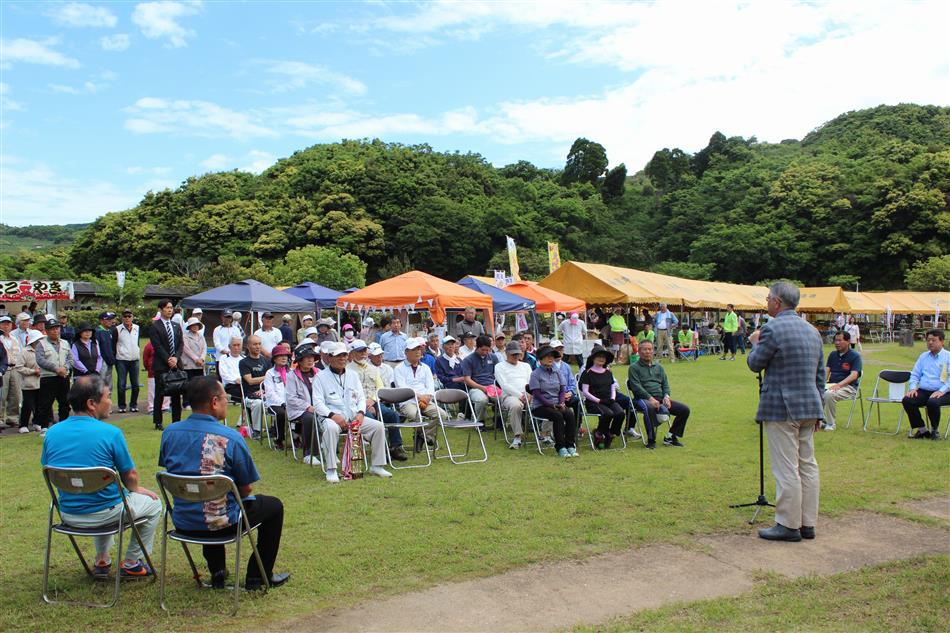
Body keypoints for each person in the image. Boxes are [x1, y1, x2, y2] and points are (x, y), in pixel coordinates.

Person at [158, 376, 288, 590]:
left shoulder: (169, 433)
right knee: (273, 506)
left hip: (183, 520)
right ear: (214, 402)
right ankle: (258, 576)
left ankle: (217, 570)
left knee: (206, 493)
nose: (228, 402)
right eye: (225, 398)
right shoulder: (230, 437)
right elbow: (246, 489)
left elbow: (171, 470)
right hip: (221, 525)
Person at [42, 376, 162, 579]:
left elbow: (50, 471)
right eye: (108, 397)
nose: (110, 402)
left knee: (105, 494)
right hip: (106, 513)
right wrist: (136, 489)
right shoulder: (110, 433)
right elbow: (130, 474)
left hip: (68, 514)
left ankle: (102, 559)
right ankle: (132, 562)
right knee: (154, 503)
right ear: (91, 403)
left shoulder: (52, 433)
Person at [747, 282, 824, 542]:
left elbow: (755, 364)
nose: (766, 302)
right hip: (809, 406)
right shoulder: (812, 331)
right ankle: (807, 523)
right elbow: (820, 374)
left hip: (781, 407)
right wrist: (820, 410)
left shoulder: (772, 329)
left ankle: (788, 525)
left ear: (777, 302)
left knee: (786, 468)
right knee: (808, 465)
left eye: (768, 298)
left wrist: (755, 343)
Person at [312, 342, 392, 483]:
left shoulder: (353, 375)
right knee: (331, 428)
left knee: (378, 426)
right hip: (331, 417)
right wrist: (333, 416)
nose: (342, 358)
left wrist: (361, 413)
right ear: (329, 358)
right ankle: (331, 469)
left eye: (344, 355)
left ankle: (377, 466)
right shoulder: (320, 377)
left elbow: (361, 397)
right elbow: (317, 403)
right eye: (338, 356)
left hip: (353, 417)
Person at [348, 339, 406, 461]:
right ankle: (381, 449)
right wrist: (365, 403)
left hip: (375, 402)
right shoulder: (348, 370)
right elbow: (350, 391)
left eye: (364, 350)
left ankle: (395, 447)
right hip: (358, 405)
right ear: (352, 353)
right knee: (372, 420)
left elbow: (380, 387)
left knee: (393, 415)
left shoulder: (373, 368)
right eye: (359, 351)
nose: (363, 353)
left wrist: (372, 400)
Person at [627, 340, 691, 450]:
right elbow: (636, 387)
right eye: (644, 349)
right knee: (649, 407)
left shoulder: (659, 367)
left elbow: (665, 384)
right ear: (639, 351)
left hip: (660, 398)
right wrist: (650, 398)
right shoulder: (634, 367)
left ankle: (670, 437)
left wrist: (666, 396)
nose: (647, 351)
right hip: (641, 399)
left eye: (650, 349)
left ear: (653, 351)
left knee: (684, 410)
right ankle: (651, 440)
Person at [392, 337, 443, 452]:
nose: (418, 352)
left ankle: (423, 436)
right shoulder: (399, 368)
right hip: (408, 401)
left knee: (442, 415)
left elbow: (430, 386)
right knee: (415, 415)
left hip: (426, 400)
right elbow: (402, 388)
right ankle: (425, 435)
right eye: (414, 349)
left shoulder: (425, 368)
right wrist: (420, 396)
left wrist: (427, 397)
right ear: (406, 352)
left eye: (419, 349)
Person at [529, 346, 577, 458]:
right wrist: (551, 405)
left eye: (552, 356)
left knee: (569, 414)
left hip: (557, 403)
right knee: (557, 416)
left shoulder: (557, 372)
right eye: (547, 356)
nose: (550, 359)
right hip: (540, 406)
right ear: (540, 359)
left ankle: (570, 445)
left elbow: (562, 390)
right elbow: (537, 394)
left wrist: (561, 403)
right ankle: (560, 447)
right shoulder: (535, 374)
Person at [902, 329, 950, 440]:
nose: (930, 343)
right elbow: (915, 374)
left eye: (934, 340)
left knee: (932, 402)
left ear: (942, 342)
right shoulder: (923, 356)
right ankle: (922, 430)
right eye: (928, 340)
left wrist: (941, 391)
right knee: (907, 400)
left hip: (945, 391)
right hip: (924, 390)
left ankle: (935, 430)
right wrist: (913, 388)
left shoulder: (948, 357)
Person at [580, 347, 626, 449]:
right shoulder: (587, 373)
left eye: (603, 357)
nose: (601, 359)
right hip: (593, 402)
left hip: (608, 400)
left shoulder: (608, 372)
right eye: (598, 356)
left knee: (620, 413)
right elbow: (585, 392)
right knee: (608, 414)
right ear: (593, 358)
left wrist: (613, 398)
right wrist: (598, 400)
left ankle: (610, 433)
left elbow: (612, 387)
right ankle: (599, 434)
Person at [150, 299, 184, 431]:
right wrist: (168, 358)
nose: (170, 310)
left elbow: (181, 344)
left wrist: (175, 358)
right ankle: (158, 421)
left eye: (171, 308)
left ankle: (177, 420)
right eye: (167, 308)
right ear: (160, 309)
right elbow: (157, 345)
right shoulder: (155, 326)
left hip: (176, 364)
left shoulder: (176, 325)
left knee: (177, 392)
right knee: (160, 393)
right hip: (161, 364)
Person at [285, 345, 321, 465]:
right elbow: (291, 398)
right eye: (307, 358)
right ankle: (309, 453)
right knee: (310, 418)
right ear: (299, 361)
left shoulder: (319, 373)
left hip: (318, 408)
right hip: (298, 410)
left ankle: (330, 450)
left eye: (312, 357)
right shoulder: (291, 376)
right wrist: (307, 407)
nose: (311, 360)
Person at [494, 341, 532, 449]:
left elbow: (531, 382)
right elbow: (504, 385)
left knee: (548, 401)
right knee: (516, 405)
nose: (516, 356)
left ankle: (546, 434)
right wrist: (520, 395)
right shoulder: (499, 366)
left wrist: (528, 393)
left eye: (518, 354)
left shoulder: (526, 366)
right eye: (513, 354)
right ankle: (517, 436)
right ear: (506, 353)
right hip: (510, 396)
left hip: (528, 394)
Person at [35, 317, 71, 429]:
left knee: (65, 403)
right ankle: (44, 427)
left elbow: (70, 358)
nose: (55, 331)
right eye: (52, 329)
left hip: (64, 376)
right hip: (48, 377)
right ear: (46, 331)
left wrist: (65, 368)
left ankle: (63, 425)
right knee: (45, 404)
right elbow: (40, 360)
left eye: (57, 328)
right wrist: (56, 369)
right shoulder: (41, 344)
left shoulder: (65, 343)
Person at [821, 331, 862, 431]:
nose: (837, 343)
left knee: (829, 395)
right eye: (835, 340)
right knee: (816, 391)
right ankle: (820, 420)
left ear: (848, 341)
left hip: (849, 387)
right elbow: (827, 371)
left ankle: (831, 424)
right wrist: (820, 384)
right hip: (831, 385)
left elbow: (854, 375)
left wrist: (839, 385)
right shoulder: (832, 355)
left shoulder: (855, 356)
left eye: (840, 340)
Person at [461, 335, 498, 426]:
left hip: (491, 386)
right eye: (483, 350)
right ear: (477, 347)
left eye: (487, 350)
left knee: (502, 398)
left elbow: (498, 374)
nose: (485, 352)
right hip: (475, 388)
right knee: (482, 400)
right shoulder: (468, 360)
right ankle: (480, 421)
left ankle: (498, 420)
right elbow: (467, 380)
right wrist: (482, 388)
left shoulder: (493, 357)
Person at [239, 335, 271, 437]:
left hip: (267, 393)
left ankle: (276, 429)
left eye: (259, 344)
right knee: (258, 403)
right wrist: (266, 377)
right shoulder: (243, 362)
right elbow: (250, 381)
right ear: (248, 346)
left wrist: (265, 391)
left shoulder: (266, 361)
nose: (258, 346)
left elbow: (271, 380)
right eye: (255, 344)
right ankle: (256, 431)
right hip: (250, 395)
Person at [262, 344, 291, 450]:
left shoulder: (291, 372)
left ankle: (296, 437)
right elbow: (270, 393)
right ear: (274, 359)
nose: (284, 358)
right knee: (281, 413)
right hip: (274, 403)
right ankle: (279, 440)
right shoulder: (269, 373)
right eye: (281, 356)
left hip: (290, 402)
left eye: (286, 356)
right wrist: (282, 402)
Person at [17, 329, 43, 433]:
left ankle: (37, 422)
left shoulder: (42, 351)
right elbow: (19, 367)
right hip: (28, 383)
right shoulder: (24, 352)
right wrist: (33, 371)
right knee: (27, 404)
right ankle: (23, 424)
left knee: (40, 404)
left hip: (41, 382)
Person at [114, 310, 140, 413]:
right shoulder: (117, 329)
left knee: (136, 384)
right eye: (125, 316)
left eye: (129, 316)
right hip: (121, 360)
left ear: (132, 317)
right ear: (122, 318)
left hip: (135, 359)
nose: (127, 318)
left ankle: (133, 404)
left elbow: (137, 342)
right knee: (121, 384)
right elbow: (114, 344)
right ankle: (121, 405)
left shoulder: (137, 328)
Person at [1, 315, 22, 428]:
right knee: (2, 395)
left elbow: (20, 353)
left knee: (15, 395)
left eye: (8, 324)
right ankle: (0, 418)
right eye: (3, 323)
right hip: (3, 369)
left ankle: (12, 418)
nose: (6, 326)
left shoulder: (14, 339)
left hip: (15, 368)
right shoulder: (0, 338)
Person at [181, 317, 208, 390]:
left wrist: (202, 359)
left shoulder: (201, 336)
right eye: (193, 325)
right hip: (189, 366)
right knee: (189, 386)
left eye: (197, 325)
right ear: (189, 326)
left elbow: (204, 348)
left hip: (199, 365)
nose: (195, 326)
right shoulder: (185, 336)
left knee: (199, 386)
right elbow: (186, 349)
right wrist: (196, 359)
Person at [143, 341, 170, 414]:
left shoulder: (166, 343)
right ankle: (152, 408)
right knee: (152, 390)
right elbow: (145, 358)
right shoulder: (149, 345)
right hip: (152, 371)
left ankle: (165, 407)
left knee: (166, 389)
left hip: (165, 370)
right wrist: (148, 367)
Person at [95, 312, 118, 389]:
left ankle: (108, 400)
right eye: (108, 320)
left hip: (109, 361)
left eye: (111, 319)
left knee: (109, 385)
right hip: (102, 362)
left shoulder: (109, 331)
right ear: (101, 321)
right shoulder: (97, 332)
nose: (111, 321)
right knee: (101, 384)